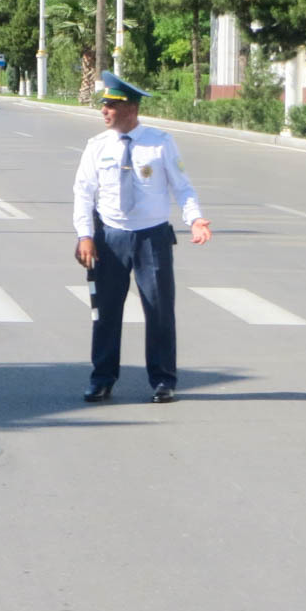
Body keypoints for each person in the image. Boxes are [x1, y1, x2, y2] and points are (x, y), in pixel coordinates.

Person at [73, 71, 212, 404]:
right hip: (110, 238)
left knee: (159, 310)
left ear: (131, 108)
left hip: (152, 239)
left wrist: (194, 219)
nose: (104, 111)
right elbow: (83, 192)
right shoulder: (97, 146)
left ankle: (163, 380)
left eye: (111, 105)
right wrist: (85, 236)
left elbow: (182, 185)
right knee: (106, 313)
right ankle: (102, 378)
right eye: (103, 104)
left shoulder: (160, 142)